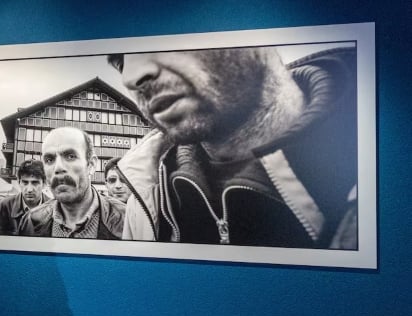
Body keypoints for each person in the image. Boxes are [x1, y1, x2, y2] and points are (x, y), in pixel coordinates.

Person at [107, 46, 358, 249]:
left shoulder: (376, 179)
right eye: (120, 62)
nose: (130, 77)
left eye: (166, 37)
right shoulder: (146, 202)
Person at [18, 127, 125, 239]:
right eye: (49, 160)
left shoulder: (127, 219)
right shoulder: (30, 221)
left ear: (91, 165)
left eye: (70, 156)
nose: (58, 167)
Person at [0, 159, 50, 235]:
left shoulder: (56, 212)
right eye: (25, 182)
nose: (29, 189)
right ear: (19, 182)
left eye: (35, 183)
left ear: (44, 183)